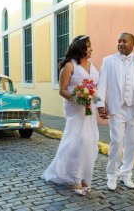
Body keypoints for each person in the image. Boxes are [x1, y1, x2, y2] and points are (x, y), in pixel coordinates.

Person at [97, 32, 134, 191]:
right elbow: (101, 84)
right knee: (116, 141)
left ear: (133, 43)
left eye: (124, 41)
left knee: (133, 142)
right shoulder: (108, 61)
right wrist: (100, 103)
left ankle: (126, 174)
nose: (121, 44)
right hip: (117, 108)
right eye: (119, 41)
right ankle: (112, 175)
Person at [41, 35, 99, 196]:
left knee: (90, 142)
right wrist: (78, 99)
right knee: (77, 142)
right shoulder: (69, 66)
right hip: (75, 109)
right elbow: (63, 89)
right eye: (88, 46)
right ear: (80, 48)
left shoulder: (92, 65)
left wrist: (96, 100)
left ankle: (85, 176)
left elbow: (95, 86)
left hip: (89, 108)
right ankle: (76, 180)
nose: (91, 49)